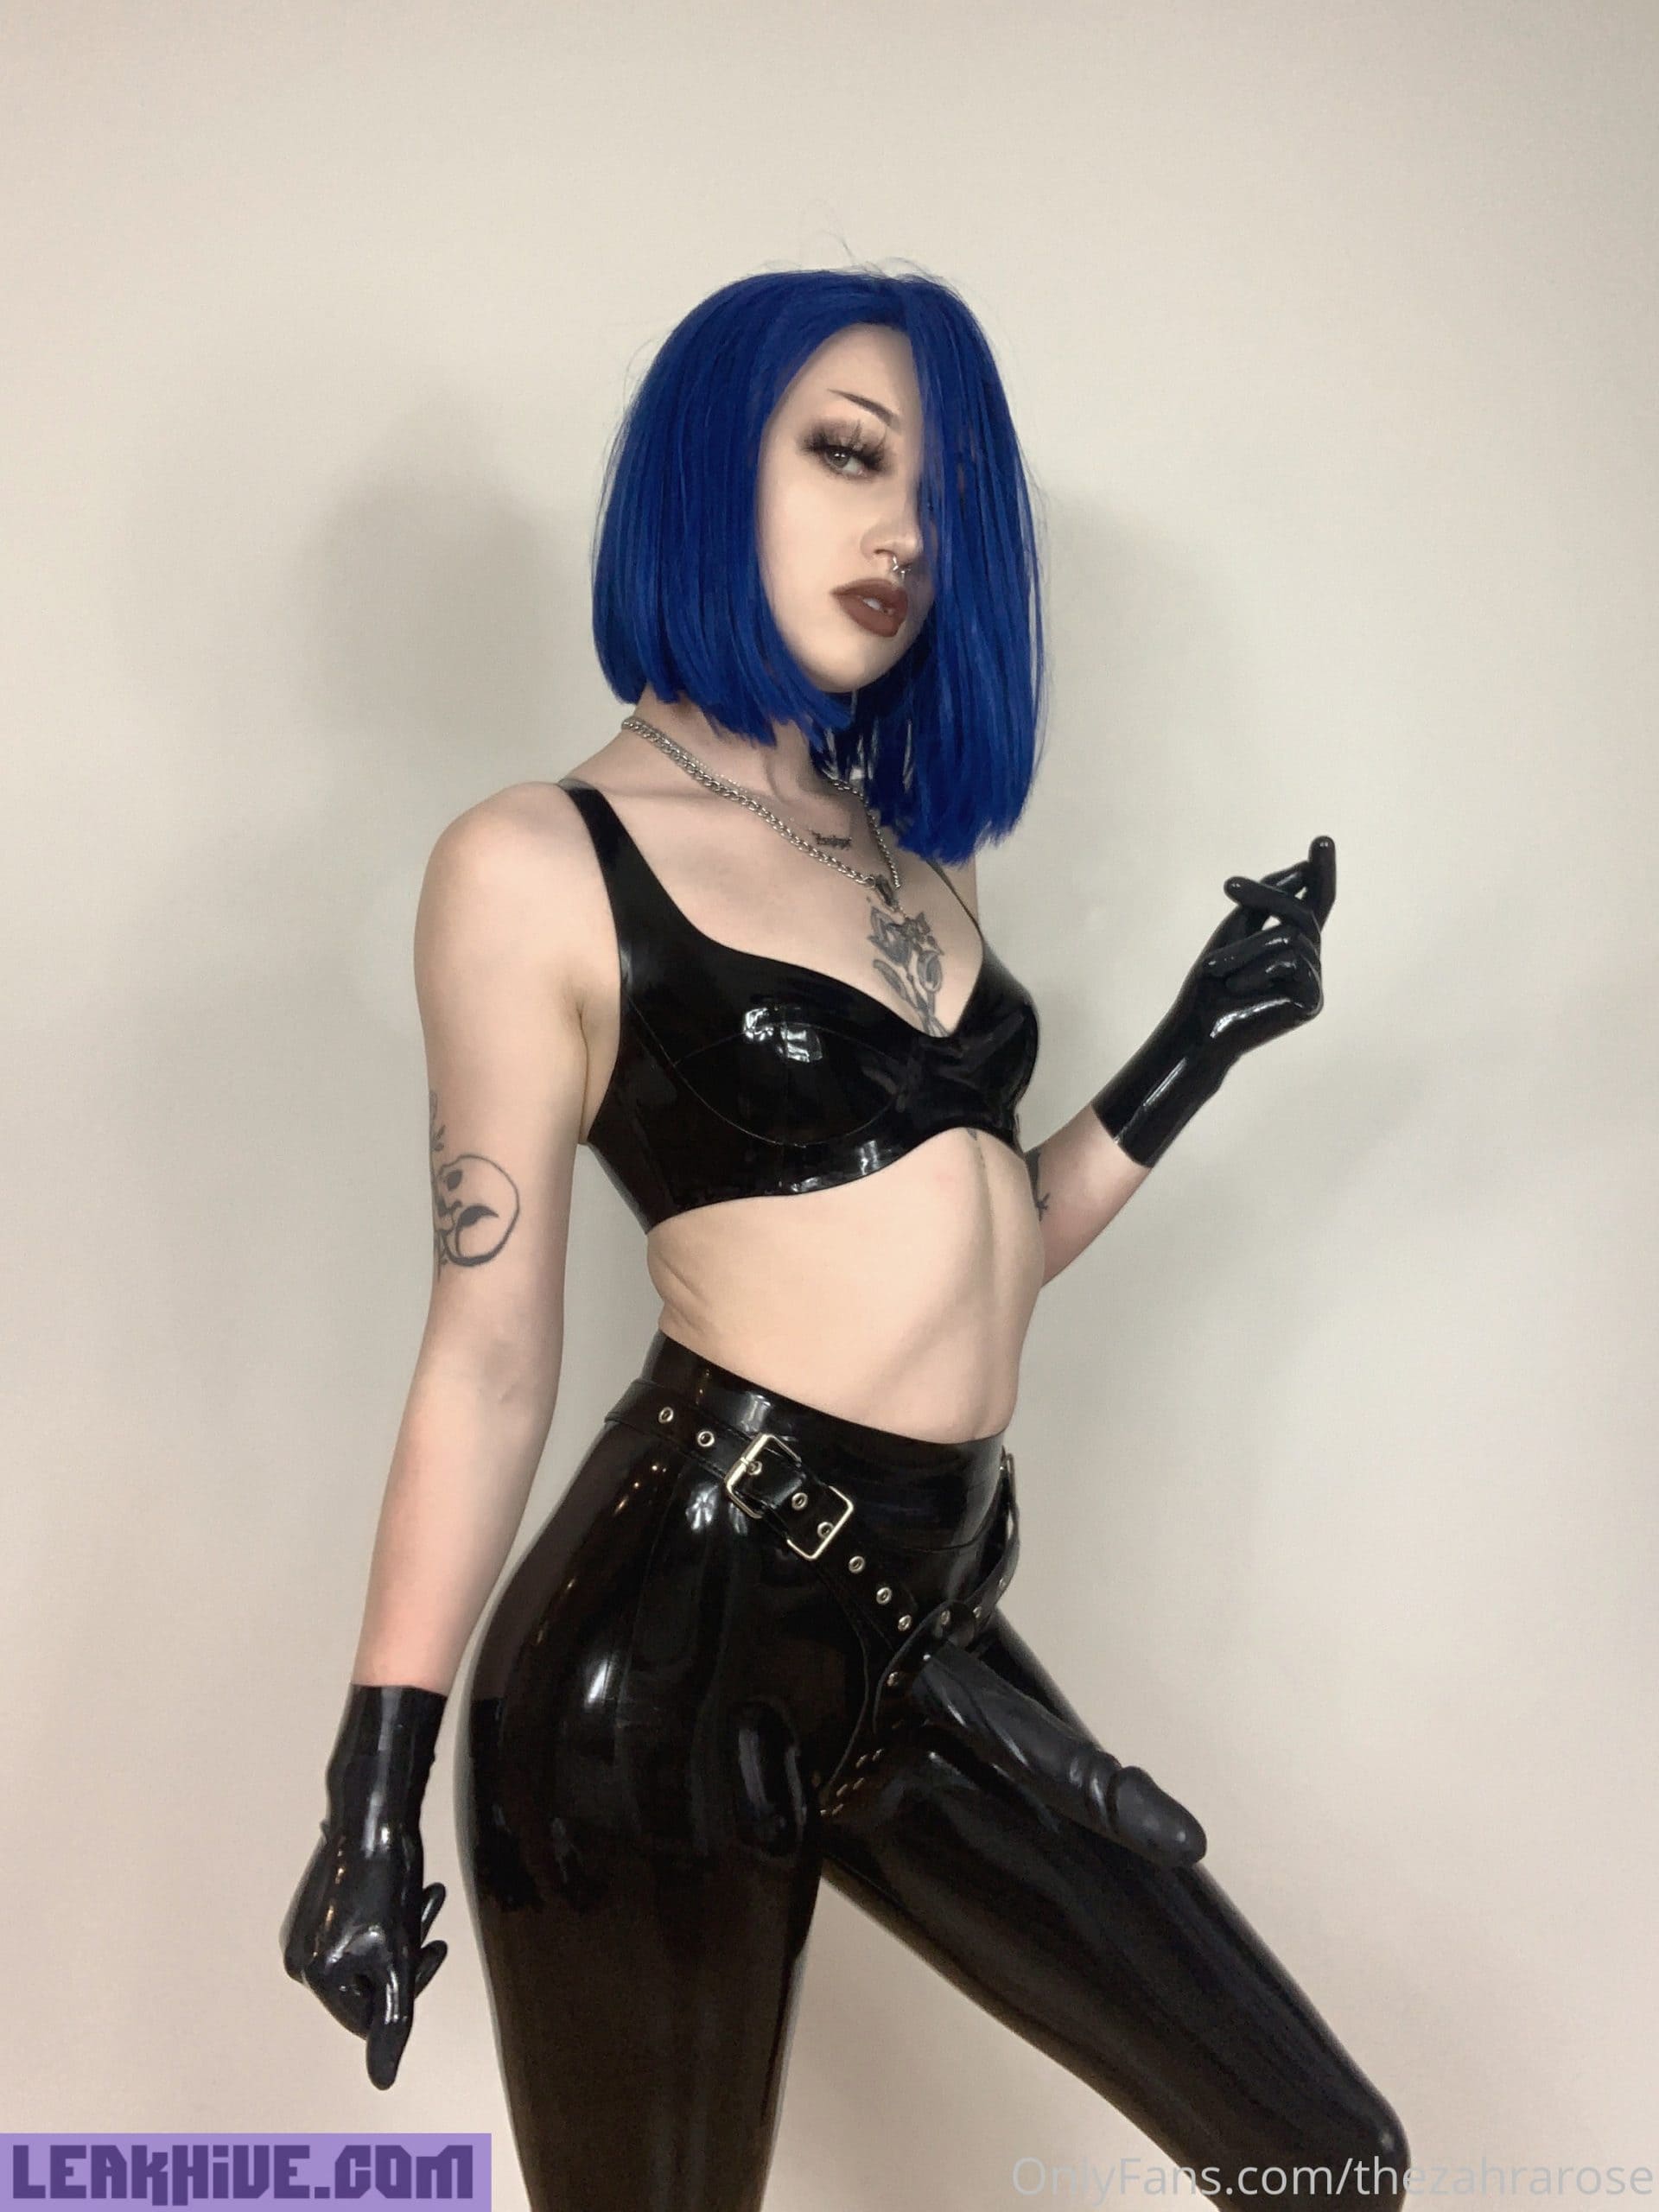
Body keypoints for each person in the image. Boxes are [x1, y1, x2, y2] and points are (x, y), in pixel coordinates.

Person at [281, 266, 1408, 2210]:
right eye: (847, 455)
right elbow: (489, 1353)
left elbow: (969, 1251)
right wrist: (368, 1785)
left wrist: (1197, 1044)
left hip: (916, 1609)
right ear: (710, 469)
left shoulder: (910, 862)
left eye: (937, 496)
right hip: (664, 1650)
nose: (903, 533)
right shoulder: (538, 862)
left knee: (1326, 2157)